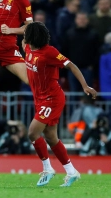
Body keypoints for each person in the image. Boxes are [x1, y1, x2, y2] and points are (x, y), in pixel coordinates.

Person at [22, 22, 97, 187]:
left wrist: (85, 86)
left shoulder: (50, 52)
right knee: (51, 137)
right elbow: (23, 34)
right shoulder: (27, 48)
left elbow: (71, 65)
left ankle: (47, 169)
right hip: (40, 99)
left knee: (33, 133)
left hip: (52, 99)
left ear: (32, 37)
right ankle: (71, 172)